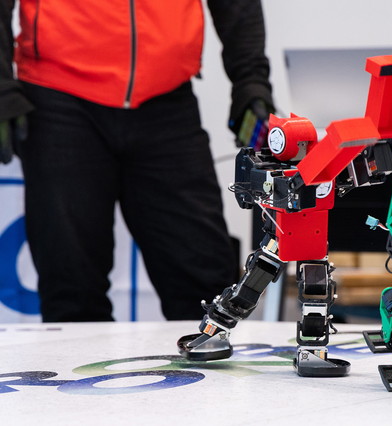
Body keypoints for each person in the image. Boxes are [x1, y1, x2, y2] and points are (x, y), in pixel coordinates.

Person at [0, 0, 274, 322]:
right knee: (71, 287)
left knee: (206, 282)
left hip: (167, 98)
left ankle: (212, 350)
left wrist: (250, 80)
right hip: (59, 96)